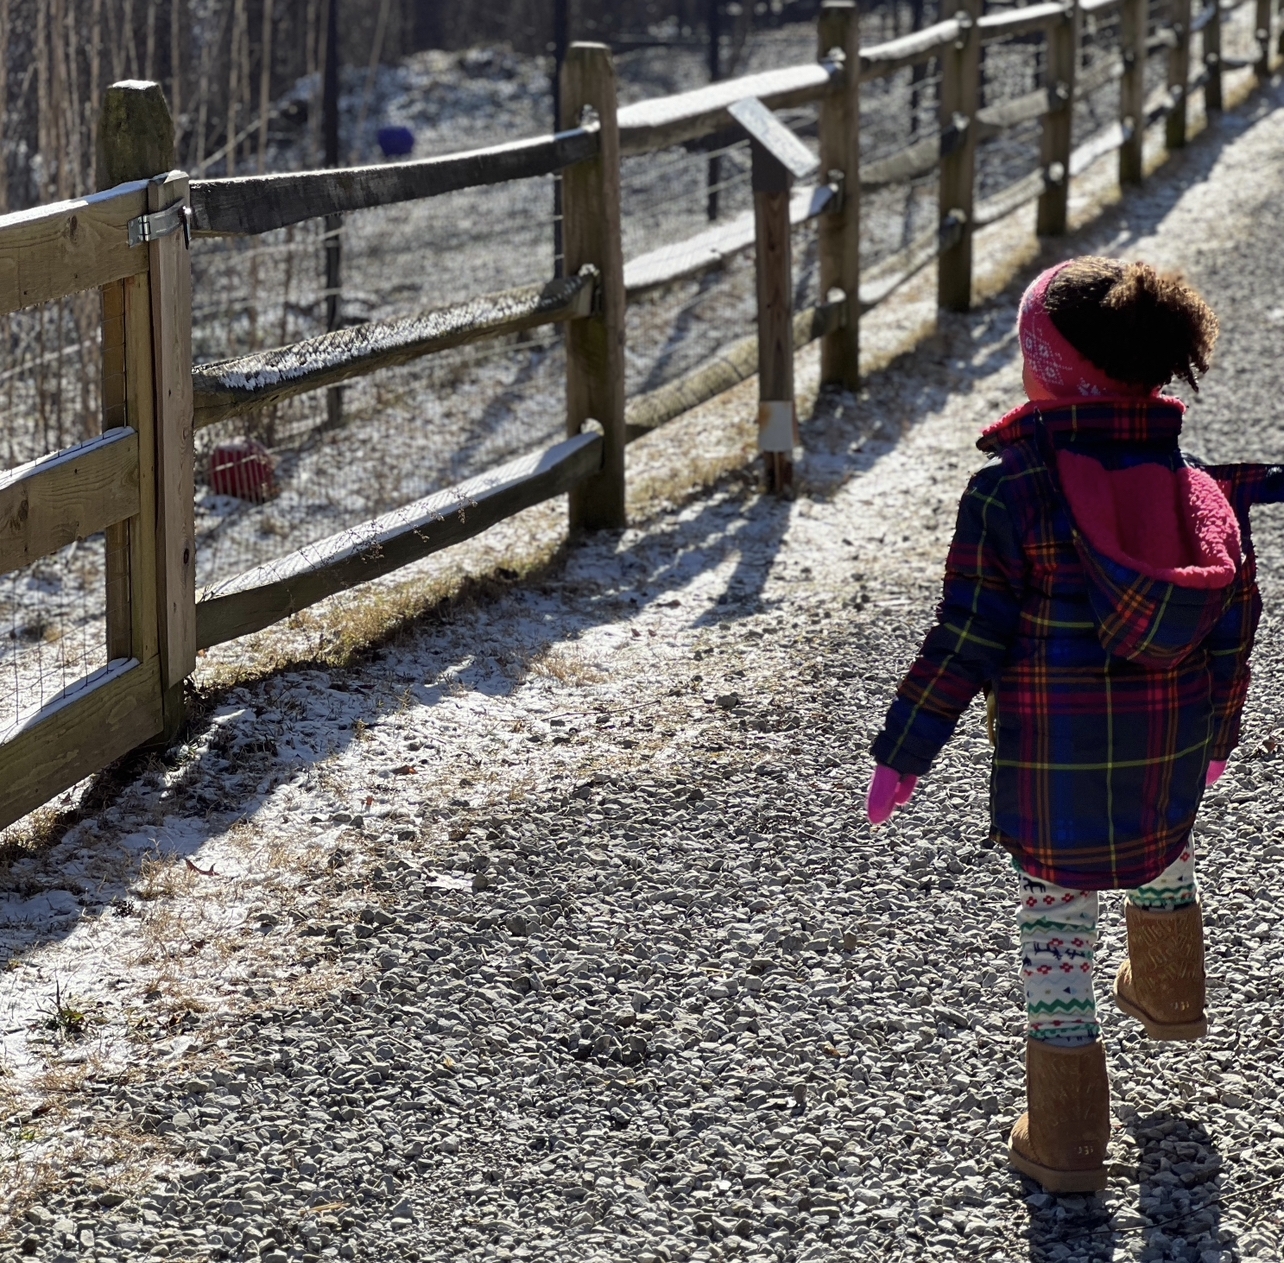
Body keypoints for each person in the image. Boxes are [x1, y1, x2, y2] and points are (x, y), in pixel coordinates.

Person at [865, 256, 1284, 1193]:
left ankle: (1064, 1140)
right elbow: (1234, 624)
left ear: (1049, 373)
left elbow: (965, 637)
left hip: (1053, 772)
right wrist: (1217, 735)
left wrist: (903, 752)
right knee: (1159, 834)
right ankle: (1171, 994)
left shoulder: (1010, 494)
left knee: (1056, 922)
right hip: (1169, 752)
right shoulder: (1199, 494)